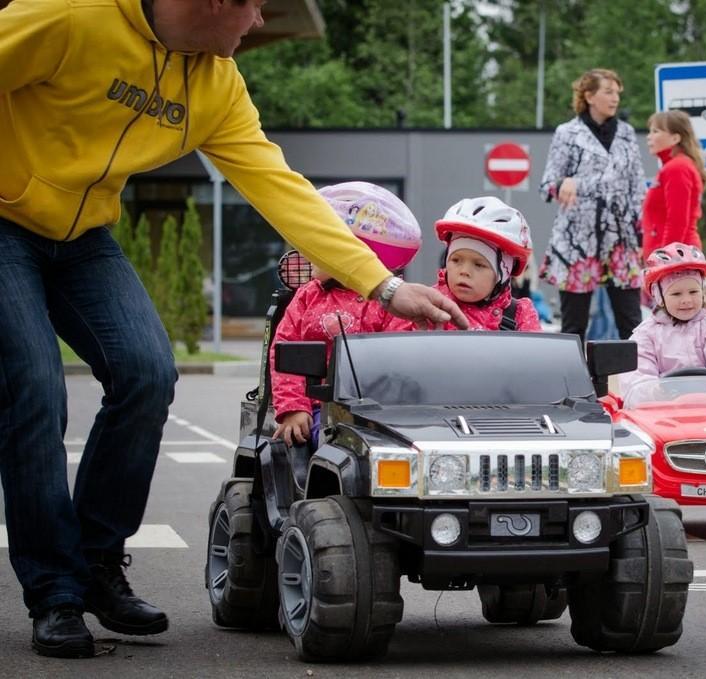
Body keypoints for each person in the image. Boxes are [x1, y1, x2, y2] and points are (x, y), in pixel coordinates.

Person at [0, 0, 466, 659]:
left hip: (82, 237)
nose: (255, 25)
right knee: (33, 388)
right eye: (253, 9)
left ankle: (98, 561)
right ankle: (54, 591)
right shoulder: (72, 15)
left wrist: (384, 285)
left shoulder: (217, 85)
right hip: (4, 222)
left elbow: (281, 188)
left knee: (147, 371)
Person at [270, 183, 421, 448]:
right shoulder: (307, 296)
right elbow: (284, 352)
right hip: (319, 408)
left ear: (353, 253)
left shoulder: (388, 302)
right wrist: (293, 408)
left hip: (377, 412)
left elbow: (400, 359)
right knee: (333, 443)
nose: (310, 253)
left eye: (323, 246)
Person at [539, 68, 647, 343]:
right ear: (589, 96)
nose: (615, 99)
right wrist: (564, 182)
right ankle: (572, 384)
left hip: (621, 241)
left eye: (617, 93)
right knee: (574, 326)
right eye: (608, 92)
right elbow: (547, 185)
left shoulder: (626, 134)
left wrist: (641, 233)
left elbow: (637, 188)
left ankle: (638, 384)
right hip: (578, 242)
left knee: (633, 325)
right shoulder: (567, 133)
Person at [390, 197, 541, 333]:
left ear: (502, 276)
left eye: (479, 265)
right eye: (456, 260)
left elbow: (535, 359)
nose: (464, 271)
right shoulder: (424, 304)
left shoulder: (519, 314)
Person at [619, 243, 706, 395]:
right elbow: (637, 368)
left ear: (702, 292)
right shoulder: (646, 334)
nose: (686, 300)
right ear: (660, 297)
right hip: (663, 409)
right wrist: (649, 388)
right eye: (676, 294)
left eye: (693, 291)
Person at [641, 110, 706, 259]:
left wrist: (665, 259)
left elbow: (677, 221)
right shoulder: (672, 167)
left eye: (655, 131)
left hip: (676, 259)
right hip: (675, 255)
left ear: (675, 138)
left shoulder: (677, 168)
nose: (649, 136)